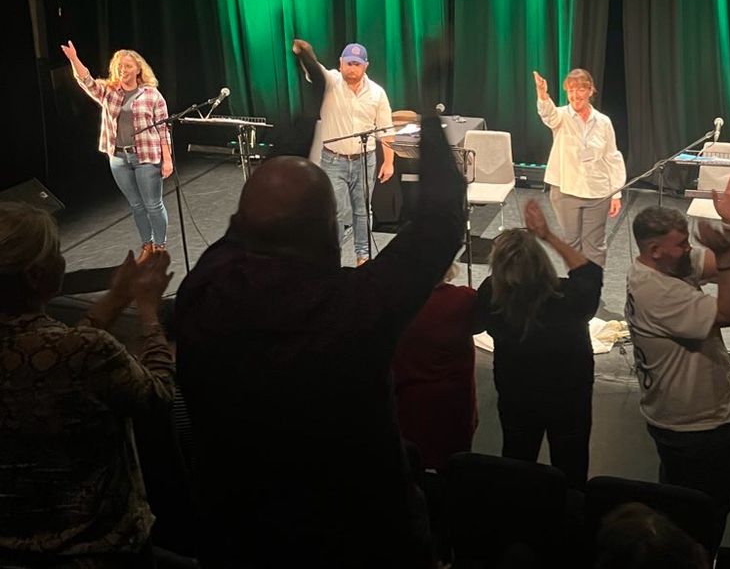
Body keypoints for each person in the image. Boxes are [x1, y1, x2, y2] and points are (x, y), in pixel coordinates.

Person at [174, 110, 465, 568]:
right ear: (331, 229)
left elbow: (246, 225)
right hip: (360, 541)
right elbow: (442, 223)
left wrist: (307, 116)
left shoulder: (203, 289)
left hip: (240, 539)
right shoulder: (357, 309)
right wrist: (430, 122)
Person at [0, 202, 173, 567]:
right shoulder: (85, 353)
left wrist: (114, 299)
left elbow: (53, 357)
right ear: (35, 276)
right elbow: (157, 396)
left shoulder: (65, 351)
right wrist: (147, 311)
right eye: (57, 252)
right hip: (100, 551)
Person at [624, 171, 730, 552]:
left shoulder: (666, 263)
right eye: (681, 245)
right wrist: (726, 259)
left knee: (680, 503)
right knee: (704, 513)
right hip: (693, 426)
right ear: (654, 249)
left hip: (681, 419)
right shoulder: (656, 290)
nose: (688, 249)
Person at [474, 198, 601, 488]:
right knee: (572, 471)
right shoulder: (568, 296)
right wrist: (547, 235)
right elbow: (590, 272)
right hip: (569, 400)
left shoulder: (491, 297)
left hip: (517, 398)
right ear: (540, 259)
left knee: (517, 468)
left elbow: (478, 324)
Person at [61, 40, 173, 250]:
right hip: (119, 158)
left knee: (153, 204)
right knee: (136, 206)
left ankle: (160, 245)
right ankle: (147, 245)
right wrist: (74, 58)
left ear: (138, 68)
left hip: (146, 157)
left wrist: (167, 160)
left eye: (128, 66)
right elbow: (86, 80)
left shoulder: (151, 94)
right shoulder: (109, 91)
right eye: (120, 66)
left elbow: (163, 130)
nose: (123, 70)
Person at [292, 37, 394, 266]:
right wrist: (304, 52)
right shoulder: (330, 81)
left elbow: (386, 131)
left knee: (362, 210)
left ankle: (363, 257)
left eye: (357, 64)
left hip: (364, 159)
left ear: (365, 65)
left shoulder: (377, 93)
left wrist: (389, 162)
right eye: (348, 63)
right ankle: (332, 258)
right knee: (334, 210)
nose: (352, 68)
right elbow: (313, 68)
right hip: (333, 160)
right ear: (340, 63)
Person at [533, 67, 626, 266]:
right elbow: (547, 114)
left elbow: (613, 157)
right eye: (571, 91)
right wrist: (542, 94)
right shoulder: (560, 116)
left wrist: (616, 193)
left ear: (591, 91)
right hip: (566, 190)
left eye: (581, 90)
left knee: (595, 245)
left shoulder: (603, 122)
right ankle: (576, 288)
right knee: (572, 243)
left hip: (598, 192)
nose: (575, 95)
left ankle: (594, 288)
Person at [392, 262, 479, 470]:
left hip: (407, 399)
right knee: (454, 469)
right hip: (454, 403)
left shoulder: (397, 302)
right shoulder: (465, 299)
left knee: (409, 464)